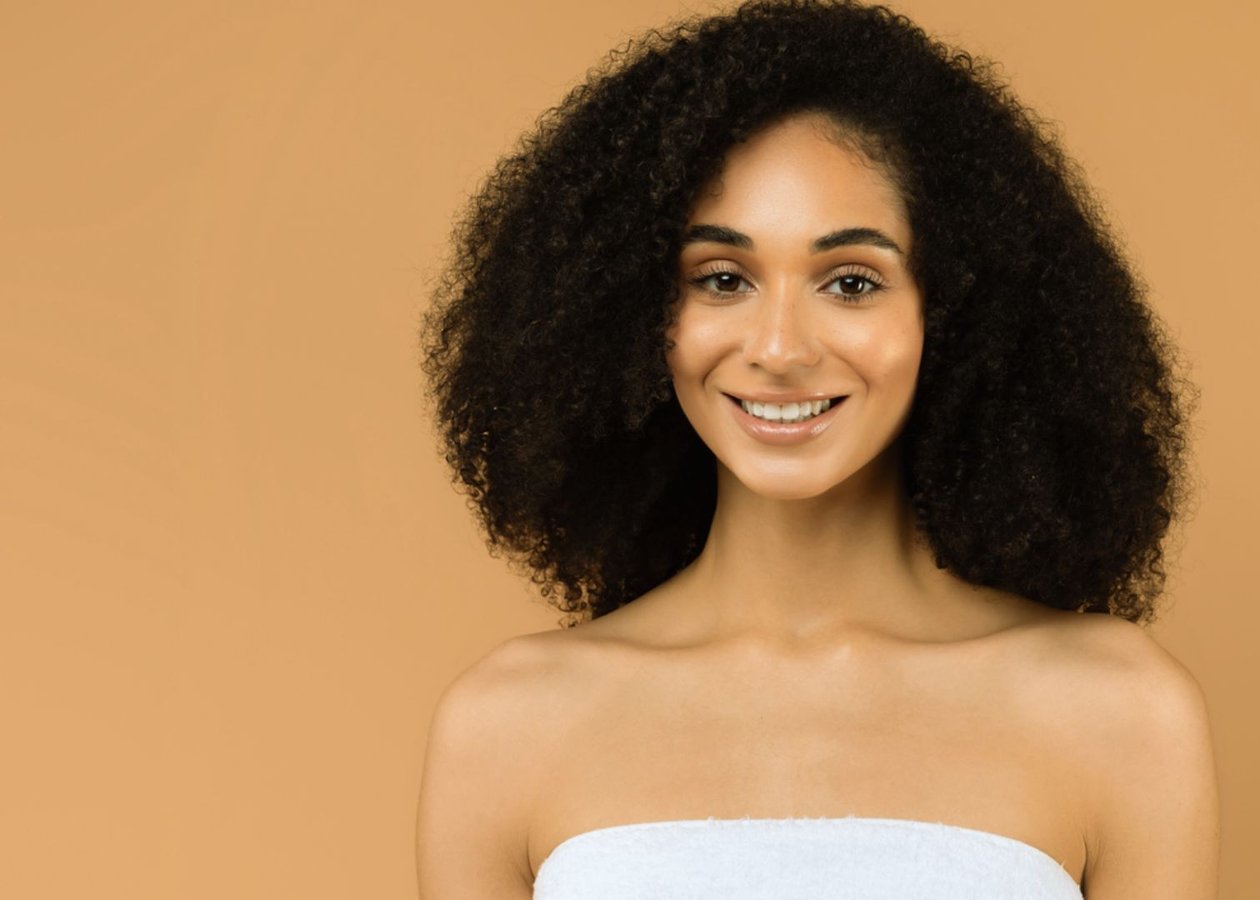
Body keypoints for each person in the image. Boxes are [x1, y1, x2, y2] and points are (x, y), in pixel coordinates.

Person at [414, 1, 1218, 897]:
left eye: (850, 281)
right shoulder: (507, 725)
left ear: (955, 314)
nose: (780, 349)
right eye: (722, 279)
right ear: (635, 315)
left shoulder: (1118, 713)